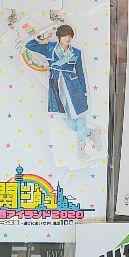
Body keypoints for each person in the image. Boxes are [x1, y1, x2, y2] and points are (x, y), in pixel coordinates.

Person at [25, 24, 96, 157]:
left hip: (74, 87)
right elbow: (29, 45)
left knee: (80, 116)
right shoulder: (49, 48)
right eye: (65, 35)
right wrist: (41, 37)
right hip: (57, 87)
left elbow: (80, 73)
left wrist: (84, 91)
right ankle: (91, 133)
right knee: (69, 122)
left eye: (70, 36)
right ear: (59, 36)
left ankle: (81, 147)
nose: (67, 38)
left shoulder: (76, 52)